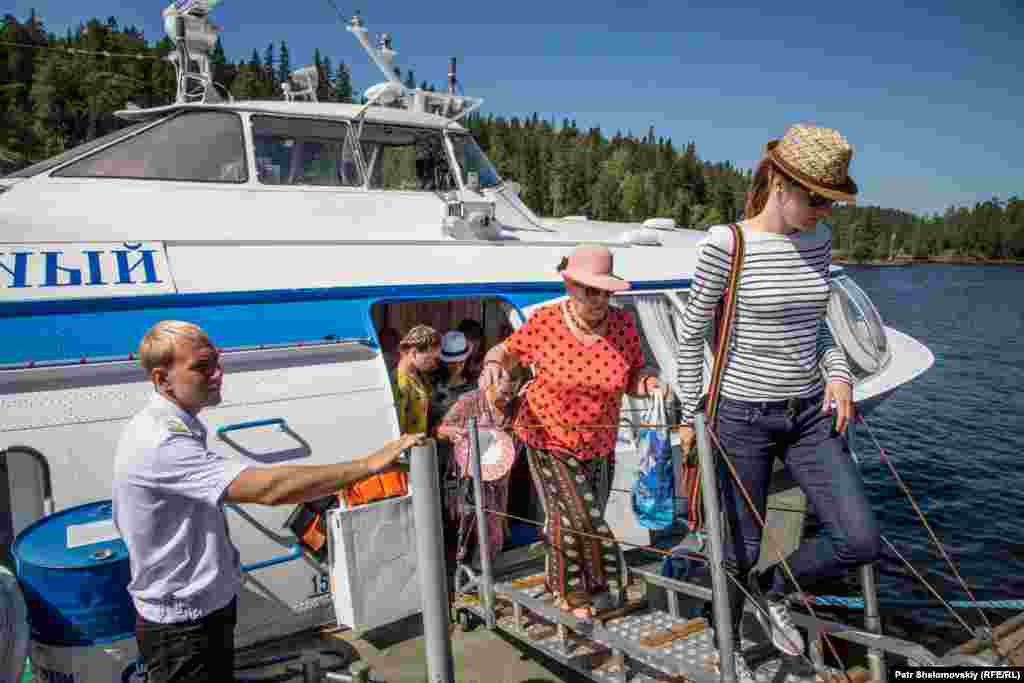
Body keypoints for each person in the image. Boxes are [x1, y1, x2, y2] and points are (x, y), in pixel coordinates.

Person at [674, 124, 879, 678]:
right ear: (781, 184)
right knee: (738, 546)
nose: (824, 212)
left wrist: (838, 376)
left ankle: (774, 589)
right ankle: (728, 649)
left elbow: (820, 327)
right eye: (816, 199)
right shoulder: (727, 244)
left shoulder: (818, 241)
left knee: (859, 539)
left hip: (810, 411)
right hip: (740, 416)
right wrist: (692, 413)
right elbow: (691, 336)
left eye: (830, 202)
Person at [112, 321, 425, 683]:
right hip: (183, 627)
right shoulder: (160, 441)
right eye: (201, 367)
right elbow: (271, 489)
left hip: (201, 612)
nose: (217, 374)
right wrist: (368, 464)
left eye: (217, 361)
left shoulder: (175, 424)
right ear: (162, 379)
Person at [479, 244, 668, 619]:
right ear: (570, 285)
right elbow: (507, 351)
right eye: (590, 290)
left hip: (599, 441)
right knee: (581, 518)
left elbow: (633, 373)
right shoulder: (547, 322)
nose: (599, 299)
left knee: (572, 518)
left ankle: (563, 584)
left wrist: (648, 384)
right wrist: (491, 364)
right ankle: (594, 586)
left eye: (605, 291)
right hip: (547, 435)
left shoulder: (623, 326)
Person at [437, 371, 521, 564]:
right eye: (503, 393)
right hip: (471, 476)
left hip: (500, 476)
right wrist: (454, 432)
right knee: (477, 527)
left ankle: (485, 570)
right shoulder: (470, 401)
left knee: (495, 525)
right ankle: (477, 573)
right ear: (489, 384)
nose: (508, 399)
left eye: (512, 393)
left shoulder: (515, 404)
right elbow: (440, 430)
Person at [393, 325, 441, 435]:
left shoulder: (417, 375)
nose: (433, 363)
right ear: (414, 353)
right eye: (429, 358)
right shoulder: (400, 383)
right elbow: (397, 431)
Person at [430, 330, 478, 431]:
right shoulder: (432, 385)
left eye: (461, 361)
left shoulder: (475, 385)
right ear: (443, 361)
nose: (457, 366)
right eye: (452, 362)